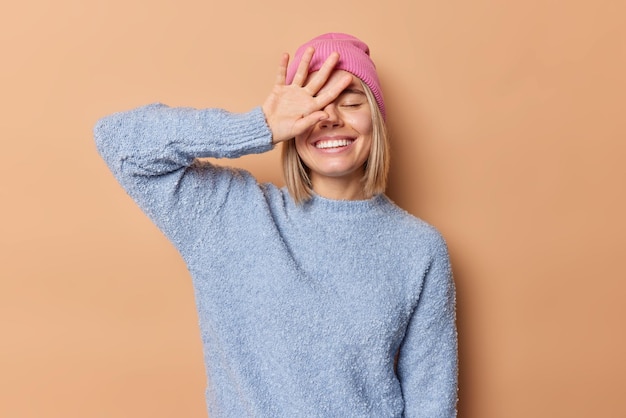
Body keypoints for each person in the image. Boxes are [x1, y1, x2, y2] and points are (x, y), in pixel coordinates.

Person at [95, 33, 458, 417]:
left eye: (351, 102)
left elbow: (431, 404)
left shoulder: (419, 249)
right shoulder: (229, 215)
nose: (330, 117)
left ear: (377, 121)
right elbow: (117, 140)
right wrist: (258, 125)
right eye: (312, 105)